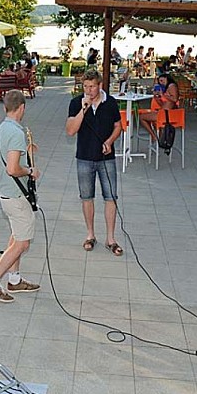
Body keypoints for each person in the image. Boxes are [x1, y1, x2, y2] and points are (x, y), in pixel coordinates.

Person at [0, 90, 41, 302]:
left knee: (16, 236)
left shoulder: (2, 129)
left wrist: (27, 150)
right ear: (22, 108)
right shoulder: (17, 133)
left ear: (5, 108)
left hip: (6, 193)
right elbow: (12, 168)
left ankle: (15, 279)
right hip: (16, 195)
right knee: (22, 243)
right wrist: (30, 171)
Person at [65, 69, 123, 257]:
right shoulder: (76, 103)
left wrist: (109, 142)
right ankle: (90, 234)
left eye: (92, 86)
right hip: (84, 156)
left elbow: (118, 126)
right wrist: (84, 109)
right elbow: (70, 131)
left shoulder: (111, 103)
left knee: (110, 197)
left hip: (107, 159)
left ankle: (111, 239)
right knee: (86, 197)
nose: (88, 90)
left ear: (100, 86)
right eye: (85, 86)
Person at [139, 73, 179, 141]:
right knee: (148, 118)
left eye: (162, 80)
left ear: (166, 78)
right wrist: (157, 97)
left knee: (142, 117)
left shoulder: (171, 86)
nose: (161, 83)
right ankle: (160, 138)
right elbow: (163, 104)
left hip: (167, 115)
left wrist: (162, 94)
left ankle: (154, 136)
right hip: (165, 113)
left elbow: (174, 99)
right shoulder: (166, 89)